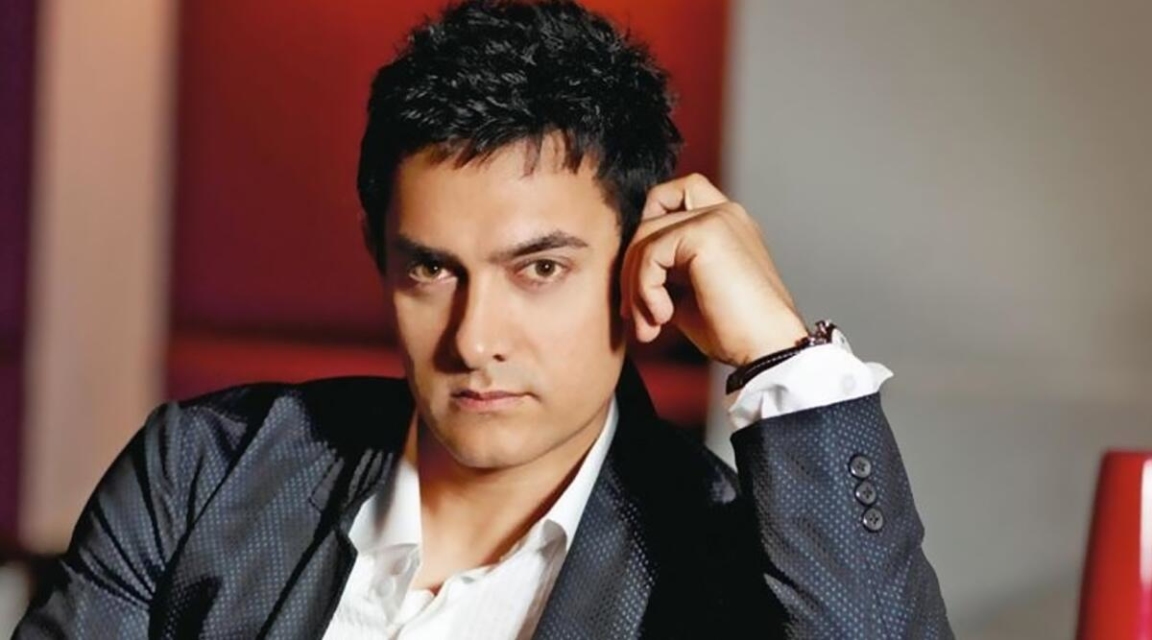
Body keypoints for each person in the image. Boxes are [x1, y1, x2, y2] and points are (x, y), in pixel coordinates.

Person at [15, 0, 952, 637]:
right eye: (431, 270)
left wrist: (780, 354)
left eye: (539, 269)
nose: (473, 340)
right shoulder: (203, 475)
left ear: (640, 263)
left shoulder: (726, 568)